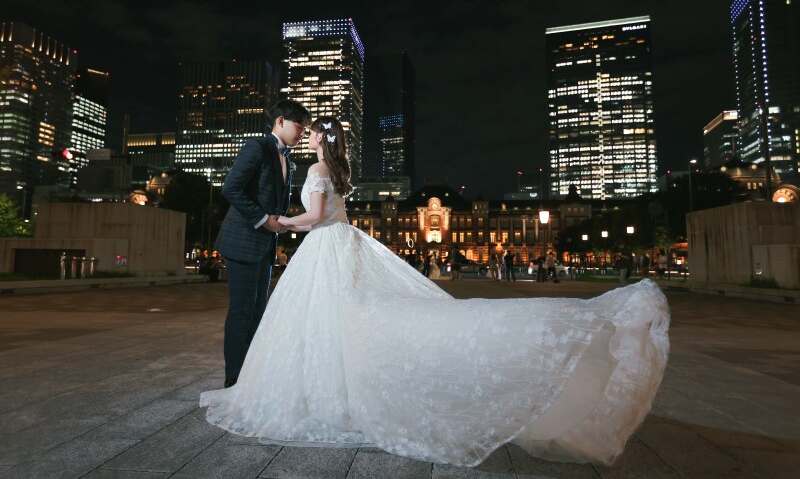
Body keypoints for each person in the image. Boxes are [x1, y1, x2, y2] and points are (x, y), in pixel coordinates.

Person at [200, 116, 670, 468]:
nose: (308, 134)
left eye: (314, 131)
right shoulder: (335, 168)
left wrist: (282, 223)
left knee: (326, 319)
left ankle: (321, 388)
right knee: (343, 317)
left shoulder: (317, 169)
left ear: (323, 139)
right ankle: (330, 382)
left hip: (323, 246)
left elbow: (318, 215)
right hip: (336, 248)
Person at [213, 99, 310, 389]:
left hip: (266, 245)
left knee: (258, 311)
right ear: (281, 121)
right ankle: (234, 378)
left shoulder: (287, 160)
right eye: (299, 127)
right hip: (244, 240)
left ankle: (250, 374)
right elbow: (230, 187)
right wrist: (263, 218)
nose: (303, 133)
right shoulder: (257, 147)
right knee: (242, 310)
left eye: (305, 129)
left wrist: (281, 223)